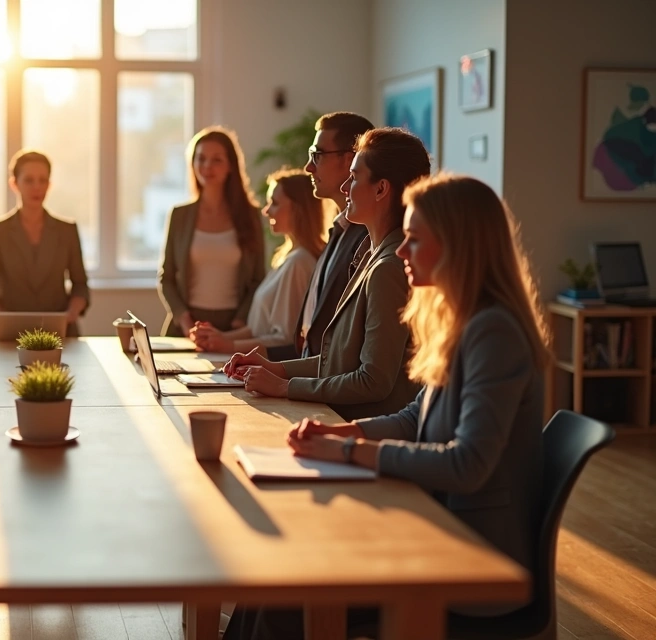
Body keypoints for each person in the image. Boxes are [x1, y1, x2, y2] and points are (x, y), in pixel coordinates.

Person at [225, 173, 550, 639]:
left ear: (459, 246)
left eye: (415, 240)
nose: (401, 251)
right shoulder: (467, 322)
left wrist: (347, 453)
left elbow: (467, 463)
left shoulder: (493, 333)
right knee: (275, 578)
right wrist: (347, 433)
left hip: (473, 561)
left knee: (284, 591)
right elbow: (415, 416)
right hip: (438, 530)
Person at [226, 128, 429, 421]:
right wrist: (275, 368)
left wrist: (284, 386)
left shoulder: (389, 268)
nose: (345, 187)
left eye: (355, 177)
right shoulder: (369, 255)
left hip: (362, 431)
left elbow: (372, 381)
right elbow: (339, 361)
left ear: (381, 189)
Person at [265, 112, 375, 361]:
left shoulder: (367, 239)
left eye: (317, 155)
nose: (308, 167)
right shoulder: (339, 230)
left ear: (350, 160)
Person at [191, 168, 330, 353]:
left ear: (298, 209)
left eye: (275, 203)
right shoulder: (286, 258)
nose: (266, 211)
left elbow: (285, 339)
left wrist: (228, 345)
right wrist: (218, 337)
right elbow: (259, 329)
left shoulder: (299, 262)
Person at [158, 126, 266, 337]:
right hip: (186, 326)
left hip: (232, 327)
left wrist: (239, 321)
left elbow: (258, 279)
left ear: (230, 166)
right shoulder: (180, 216)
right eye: (201, 159)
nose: (207, 166)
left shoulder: (250, 216)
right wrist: (183, 318)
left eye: (217, 160)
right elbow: (166, 278)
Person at [0, 150, 90, 335]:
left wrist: (70, 314)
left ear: (49, 185)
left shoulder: (67, 230)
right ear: (14, 184)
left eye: (43, 180)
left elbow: (80, 285)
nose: (37, 187)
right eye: (29, 180)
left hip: (61, 336)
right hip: (10, 337)